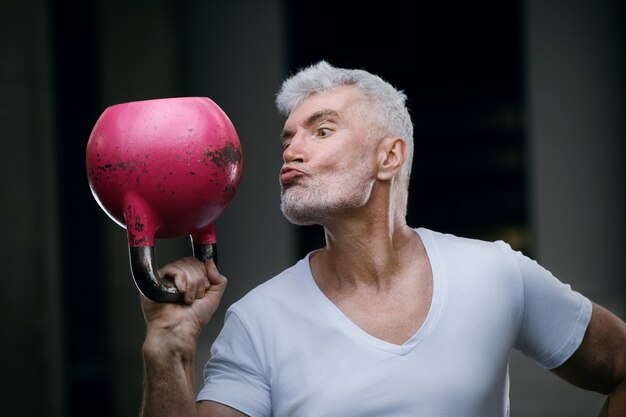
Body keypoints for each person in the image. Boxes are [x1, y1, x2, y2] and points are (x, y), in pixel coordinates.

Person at [139, 61, 626, 417]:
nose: (292, 152)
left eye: (321, 130)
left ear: (389, 157)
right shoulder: (257, 321)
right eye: (287, 139)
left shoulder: (495, 274)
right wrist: (168, 348)